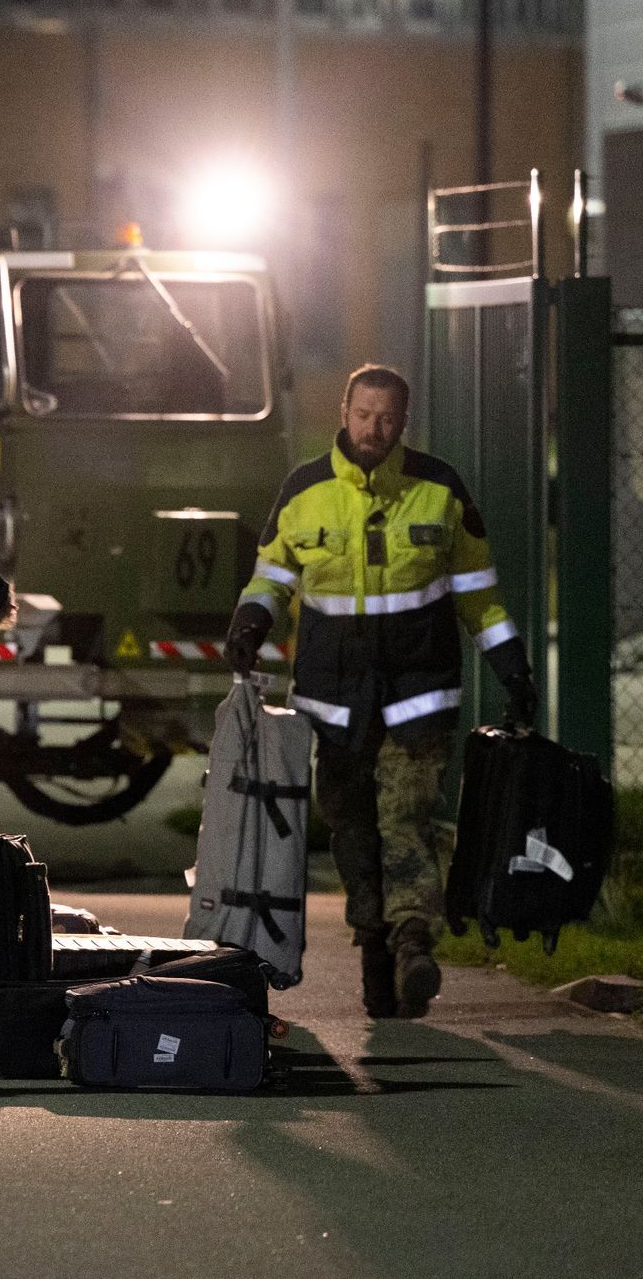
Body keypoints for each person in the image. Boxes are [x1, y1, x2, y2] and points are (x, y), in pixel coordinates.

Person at [225, 363, 535, 1020]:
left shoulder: (440, 489)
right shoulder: (304, 491)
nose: (375, 427)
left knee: (408, 816)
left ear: (405, 420)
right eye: (365, 414)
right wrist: (250, 625)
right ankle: (376, 946)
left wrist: (512, 667)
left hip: (419, 694)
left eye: (388, 417)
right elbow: (271, 577)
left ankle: (414, 940)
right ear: (344, 411)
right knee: (353, 830)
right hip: (333, 702)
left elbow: (479, 595)